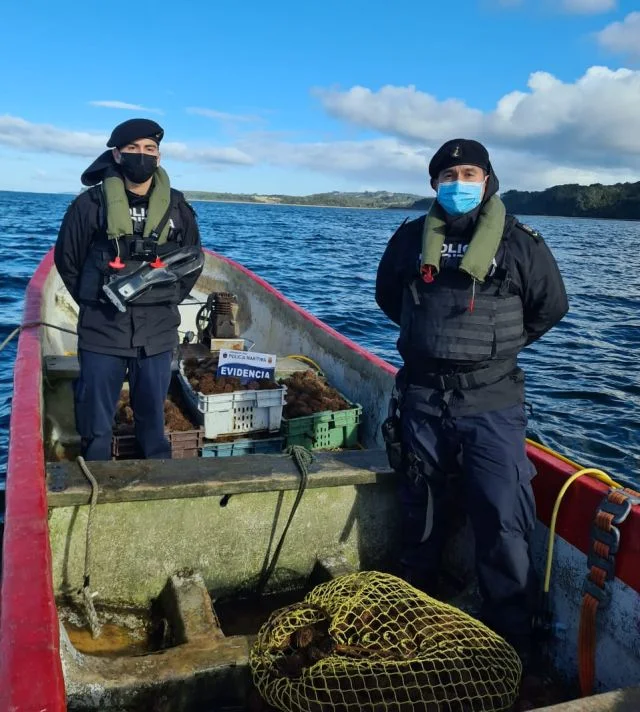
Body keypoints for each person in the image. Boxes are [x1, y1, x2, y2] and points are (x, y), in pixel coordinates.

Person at [376, 138, 569, 662]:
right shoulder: (410, 238)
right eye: (449, 174)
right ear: (434, 182)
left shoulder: (520, 242)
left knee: (502, 514)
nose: (459, 183)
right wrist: (429, 341)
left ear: (487, 180)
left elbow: (551, 306)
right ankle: (415, 608)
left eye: (469, 173)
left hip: (493, 402)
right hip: (422, 397)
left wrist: (497, 347)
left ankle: (511, 642)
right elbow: (388, 297)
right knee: (421, 506)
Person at [54, 118, 205, 461]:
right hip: (102, 330)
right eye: (133, 149)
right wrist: (96, 301)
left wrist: (163, 298)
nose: (142, 155)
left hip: (157, 332)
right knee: (96, 426)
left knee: (153, 423)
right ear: (118, 156)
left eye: (149, 149)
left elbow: (193, 261)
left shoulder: (178, 208)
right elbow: (68, 260)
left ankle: (157, 489)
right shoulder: (89, 205)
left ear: (159, 157)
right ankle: (97, 488)